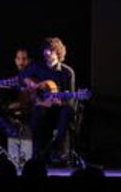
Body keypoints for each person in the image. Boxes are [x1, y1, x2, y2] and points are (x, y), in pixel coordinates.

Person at [21, 37, 77, 165]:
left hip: (59, 108)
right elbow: (22, 76)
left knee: (67, 110)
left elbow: (71, 97)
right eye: (45, 50)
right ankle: (37, 154)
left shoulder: (67, 72)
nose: (47, 53)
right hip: (42, 107)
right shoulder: (37, 67)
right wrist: (31, 84)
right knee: (37, 111)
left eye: (50, 50)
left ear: (58, 52)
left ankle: (57, 149)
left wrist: (60, 101)